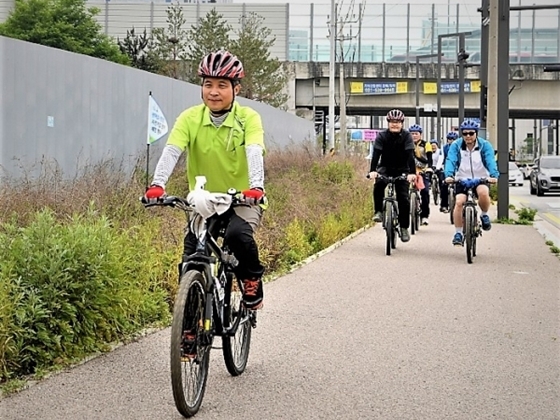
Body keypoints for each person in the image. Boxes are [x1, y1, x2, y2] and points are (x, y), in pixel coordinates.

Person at [143, 50, 266, 310]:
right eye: (208, 84)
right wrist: (157, 185)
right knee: (191, 256)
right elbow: (172, 151)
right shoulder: (189, 118)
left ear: (236, 89)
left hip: (241, 198)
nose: (214, 91)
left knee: (238, 235)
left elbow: (254, 151)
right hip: (203, 200)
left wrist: (256, 187)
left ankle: (252, 277)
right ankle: (189, 326)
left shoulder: (248, 119)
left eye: (222, 85)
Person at [444, 119, 499, 246]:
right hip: (461, 178)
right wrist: (449, 175)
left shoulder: (485, 145)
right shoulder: (456, 145)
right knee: (458, 202)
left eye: (471, 133)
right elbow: (450, 160)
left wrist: (493, 175)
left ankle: (484, 215)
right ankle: (458, 232)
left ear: (476, 133)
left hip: (480, 178)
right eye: (465, 133)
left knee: (483, 192)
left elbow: (490, 160)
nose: (468, 136)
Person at [369, 109, 416, 242]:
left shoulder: (407, 136)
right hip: (385, 167)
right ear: (388, 123)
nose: (395, 124)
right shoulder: (382, 136)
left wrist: (412, 173)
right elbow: (376, 154)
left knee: (403, 198)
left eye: (398, 122)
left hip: (403, 169)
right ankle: (378, 211)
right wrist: (373, 171)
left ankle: (404, 227)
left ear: (402, 123)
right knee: (378, 184)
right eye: (392, 122)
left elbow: (410, 156)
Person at [409, 124, 433, 226]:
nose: (414, 136)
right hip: (409, 172)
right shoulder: (406, 143)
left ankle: (424, 216)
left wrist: (429, 168)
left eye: (416, 134)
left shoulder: (426, 144)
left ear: (421, 135)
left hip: (422, 171)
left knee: (425, 192)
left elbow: (429, 158)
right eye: (412, 134)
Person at [436, 131, 459, 213]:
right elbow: (441, 158)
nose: (451, 140)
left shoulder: (461, 147)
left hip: (458, 170)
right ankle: (444, 205)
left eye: (453, 139)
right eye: (449, 139)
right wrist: (438, 168)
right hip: (447, 169)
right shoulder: (444, 148)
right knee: (444, 185)